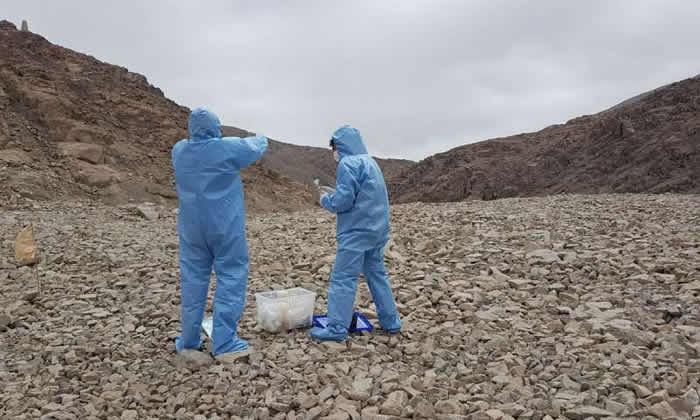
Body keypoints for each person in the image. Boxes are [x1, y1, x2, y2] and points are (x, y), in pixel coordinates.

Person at [172, 107, 268, 361]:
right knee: (232, 275)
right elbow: (257, 146)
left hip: (192, 229)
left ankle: (189, 341)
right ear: (215, 127)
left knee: (192, 280)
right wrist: (258, 135)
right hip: (224, 226)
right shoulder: (226, 148)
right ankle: (224, 342)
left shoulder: (179, 151)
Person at [311, 125, 402, 342]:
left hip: (356, 232)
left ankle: (336, 329)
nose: (334, 152)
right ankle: (391, 322)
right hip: (377, 230)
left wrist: (325, 199)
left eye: (334, 148)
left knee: (343, 279)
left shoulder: (347, 164)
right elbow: (365, 195)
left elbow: (344, 201)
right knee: (377, 275)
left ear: (339, 146)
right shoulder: (371, 162)